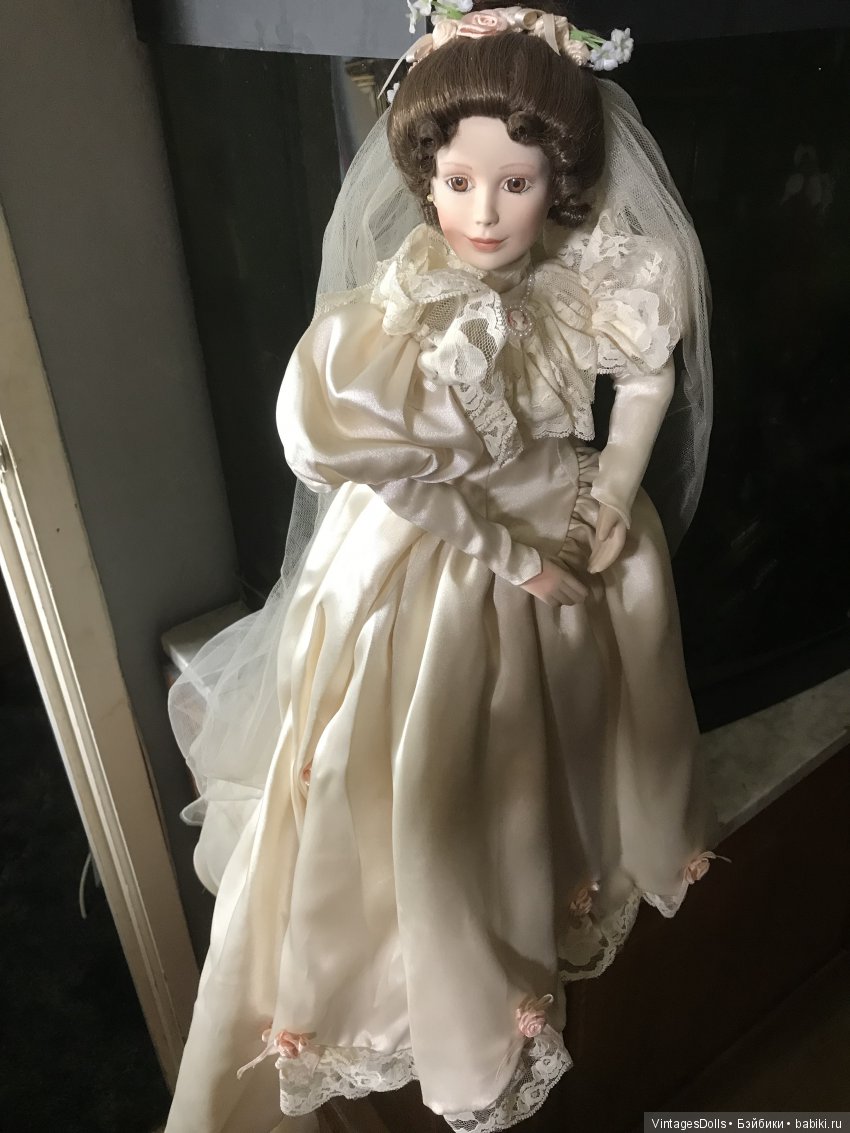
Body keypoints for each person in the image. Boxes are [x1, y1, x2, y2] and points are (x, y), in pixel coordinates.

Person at [165, 4, 722, 1130]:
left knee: (574, 741)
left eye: (515, 183)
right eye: (459, 182)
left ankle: (559, 884)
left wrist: (616, 489)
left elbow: (648, 375)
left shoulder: (591, 269)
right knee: (431, 762)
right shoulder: (407, 309)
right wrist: (515, 558)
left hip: (570, 522)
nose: (484, 212)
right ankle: (447, 990)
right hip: (446, 555)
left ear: (556, 178)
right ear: (425, 175)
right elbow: (392, 476)